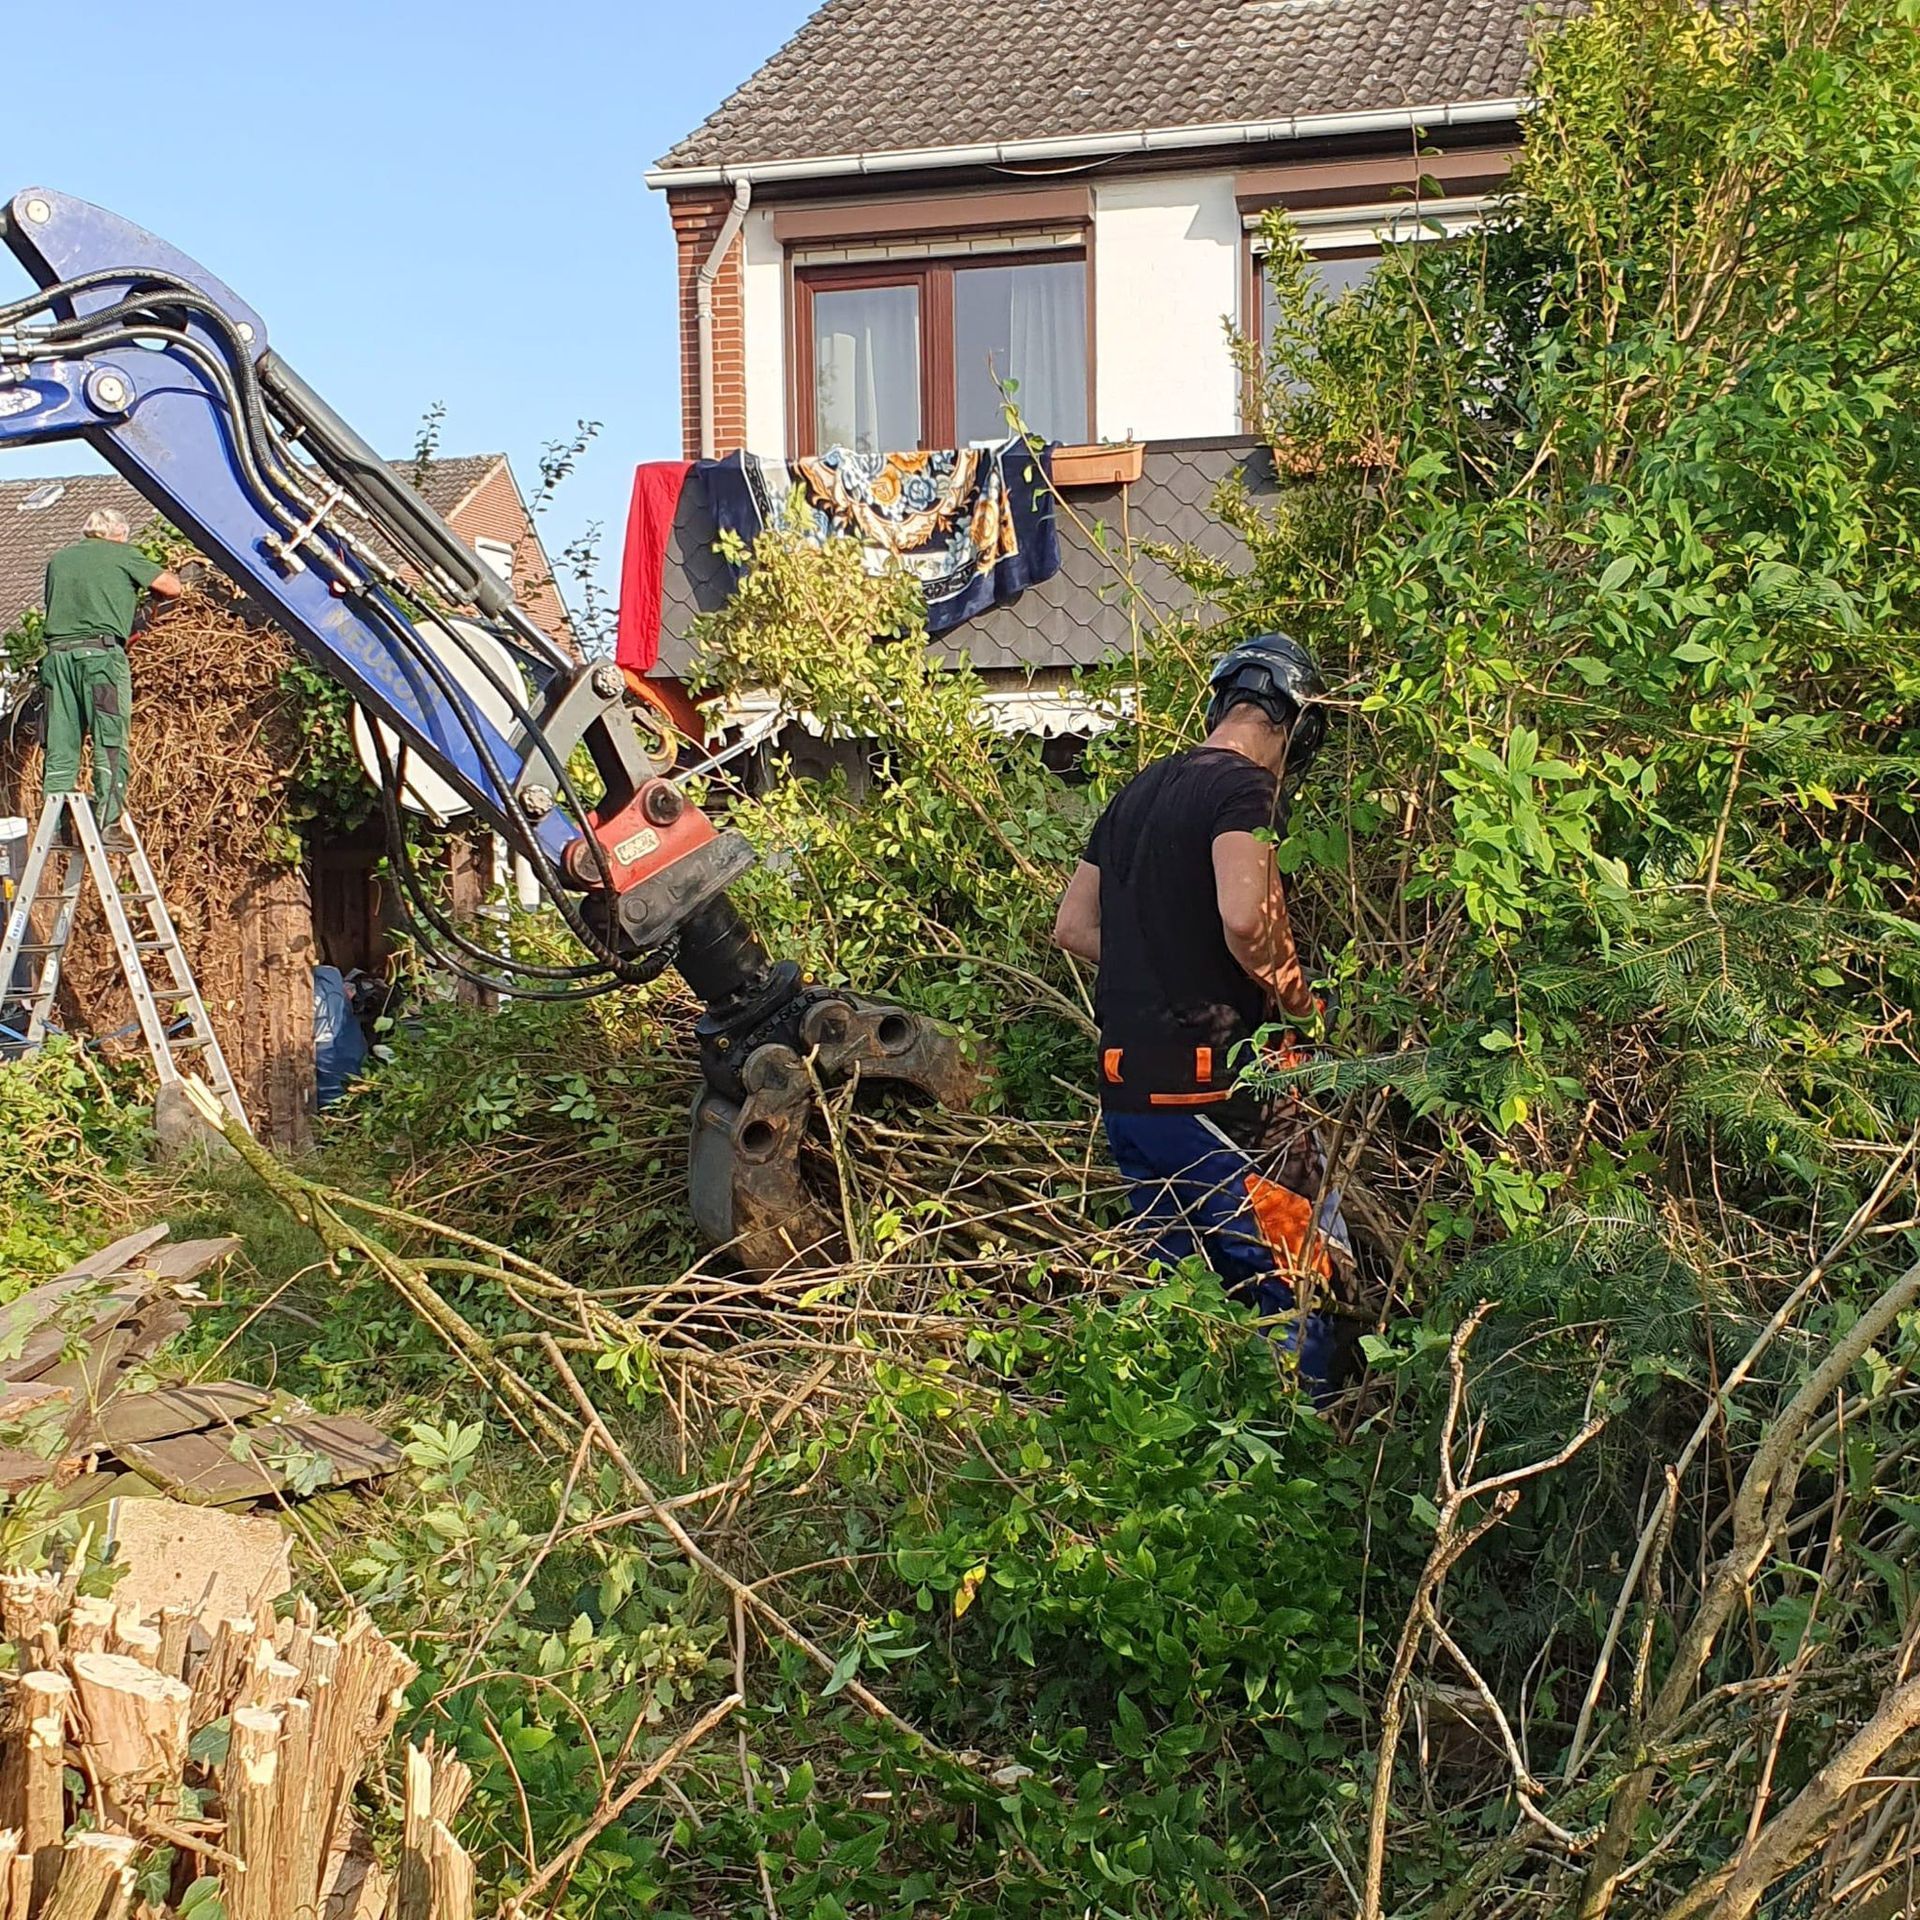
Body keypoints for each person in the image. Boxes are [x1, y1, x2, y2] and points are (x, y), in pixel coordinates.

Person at [1052, 632, 1349, 1391]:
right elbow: (1247, 918)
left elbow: (1074, 927)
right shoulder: (1244, 789)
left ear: (1222, 700)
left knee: (1191, 1306)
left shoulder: (1136, 794)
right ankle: (1296, 1468)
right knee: (1299, 1285)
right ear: (1298, 724)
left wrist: (1161, 966)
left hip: (1132, 1100)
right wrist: (1295, 999)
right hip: (1221, 1099)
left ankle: (1201, 1475)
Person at [38, 508, 182, 837]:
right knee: (110, 738)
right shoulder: (122, 554)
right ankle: (108, 821)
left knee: (61, 743)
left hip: (57, 660)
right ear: (118, 533)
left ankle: (56, 825)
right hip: (100, 660)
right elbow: (171, 587)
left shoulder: (59, 560)